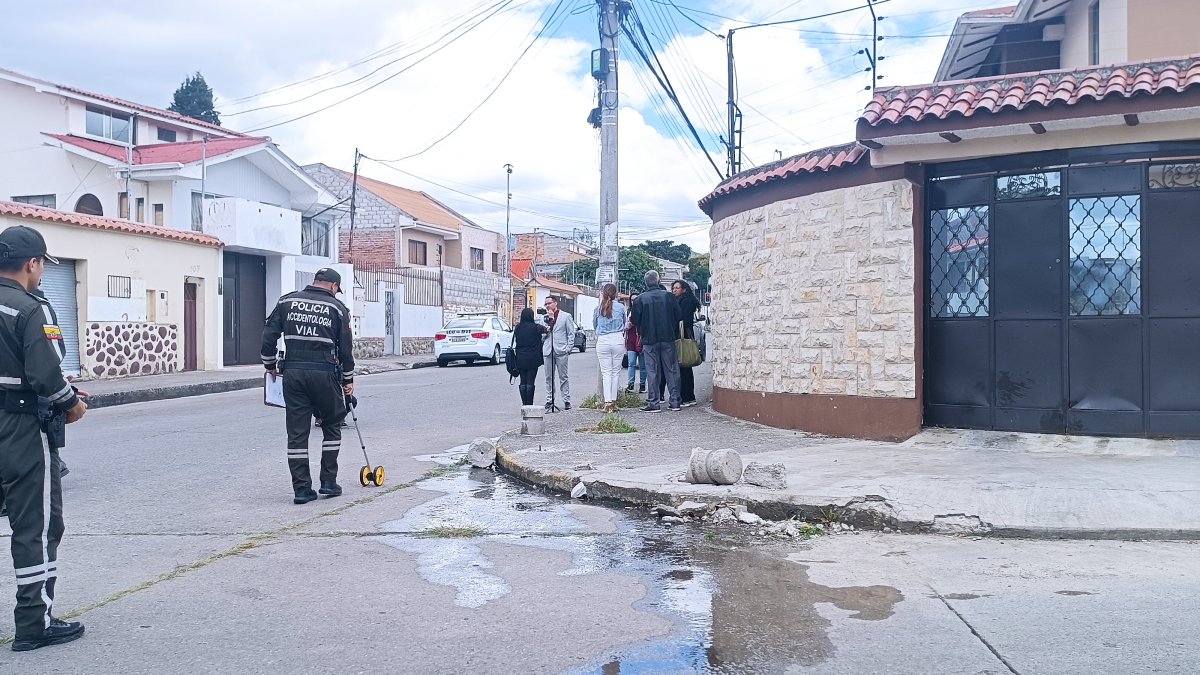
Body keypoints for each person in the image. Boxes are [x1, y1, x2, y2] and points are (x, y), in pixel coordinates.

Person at [0, 225, 88, 651]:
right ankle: (34, 621)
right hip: (19, 425)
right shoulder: (31, 307)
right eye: (41, 266)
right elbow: (45, 375)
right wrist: (70, 402)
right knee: (35, 523)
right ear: (33, 263)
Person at [261, 268, 355, 504]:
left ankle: (302, 490)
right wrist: (348, 380)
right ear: (334, 286)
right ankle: (329, 483)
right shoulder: (337, 309)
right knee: (332, 424)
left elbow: (269, 335)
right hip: (325, 374)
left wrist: (270, 365)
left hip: (293, 373)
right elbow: (345, 350)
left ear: (315, 282)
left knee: (297, 434)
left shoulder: (287, 301)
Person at [631, 270, 682, 412]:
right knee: (671, 369)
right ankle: (675, 401)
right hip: (668, 337)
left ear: (646, 283)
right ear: (658, 281)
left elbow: (634, 320)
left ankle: (654, 403)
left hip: (649, 339)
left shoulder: (640, 299)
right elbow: (679, 315)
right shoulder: (669, 297)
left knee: (652, 371)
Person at [592, 284, 626, 413]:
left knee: (606, 373)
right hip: (617, 339)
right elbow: (624, 322)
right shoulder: (621, 307)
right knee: (615, 372)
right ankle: (614, 401)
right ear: (615, 293)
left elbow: (594, 325)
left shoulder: (598, 308)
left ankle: (607, 402)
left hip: (603, 340)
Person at [540, 295, 576, 412]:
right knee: (548, 377)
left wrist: (568, 348)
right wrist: (547, 326)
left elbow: (571, 333)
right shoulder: (543, 318)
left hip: (561, 350)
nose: (547, 306)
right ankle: (549, 399)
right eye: (545, 304)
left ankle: (566, 400)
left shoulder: (566, 316)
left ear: (555, 303)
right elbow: (541, 336)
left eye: (549, 303)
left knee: (563, 377)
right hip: (548, 350)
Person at [672, 280, 701, 407]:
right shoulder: (680, 301)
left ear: (684, 289)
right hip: (682, 335)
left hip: (684, 336)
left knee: (684, 366)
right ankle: (686, 396)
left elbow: (685, 320)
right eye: (673, 288)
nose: (674, 290)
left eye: (677, 288)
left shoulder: (686, 302)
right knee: (683, 367)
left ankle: (688, 396)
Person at [512, 308, 545, 406]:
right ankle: (530, 403)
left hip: (520, 358)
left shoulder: (518, 327)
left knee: (523, 381)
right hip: (533, 358)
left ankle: (524, 403)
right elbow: (547, 330)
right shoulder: (536, 327)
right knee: (530, 380)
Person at [624, 294, 646, 393]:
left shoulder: (644, 311)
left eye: (635, 299)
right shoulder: (628, 311)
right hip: (630, 341)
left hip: (641, 340)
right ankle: (630, 384)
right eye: (632, 300)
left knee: (643, 365)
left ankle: (642, 385)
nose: (633, 301)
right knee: (631, 363)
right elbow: (625, 326)